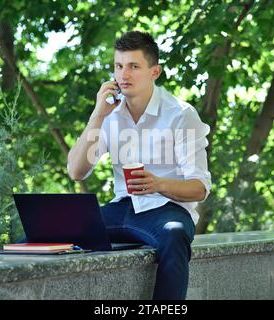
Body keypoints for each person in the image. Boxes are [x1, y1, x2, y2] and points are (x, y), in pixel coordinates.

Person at [67, 31, 211, 300]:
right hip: (122, 208)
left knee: (175, 234)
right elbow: (76, 171)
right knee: (51, 230)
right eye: (119, 66)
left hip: (166, 211)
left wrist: (158, 184)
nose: (124, 75)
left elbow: (200, 188)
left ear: (154, 72)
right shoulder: (108, 114)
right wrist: (97, 115)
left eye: (134, 66)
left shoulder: (181, 114)